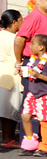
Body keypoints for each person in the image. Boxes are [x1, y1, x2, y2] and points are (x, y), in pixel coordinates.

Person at [19, 34, 47, 156]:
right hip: (33, 93)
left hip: (45, 94)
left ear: (41, 47)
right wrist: (23, 73)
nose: (30, 46)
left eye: (33, 44)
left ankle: (45, 146)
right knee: (25, 116)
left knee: (44, 120)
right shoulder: (34, 60)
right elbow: (31, 74)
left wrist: (39, 75)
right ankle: (31, 142)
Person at [1, 9, 23, 148]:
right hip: (12, 73)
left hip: (2, 72)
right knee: (11, 108)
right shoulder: (14, 38)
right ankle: (7, 138)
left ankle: (7, 138)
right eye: (21, 20)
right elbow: (17, 58)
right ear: (14, 22)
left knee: (4, 108)